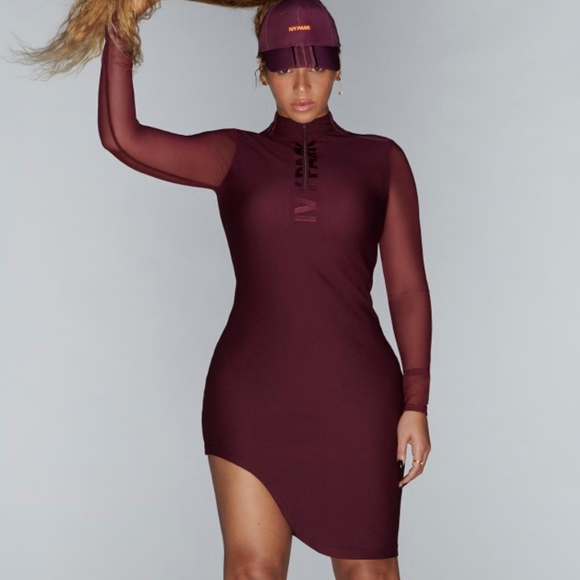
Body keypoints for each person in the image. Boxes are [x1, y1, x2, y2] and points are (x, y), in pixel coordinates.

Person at [20, 1, 432, 578]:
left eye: (316, 65)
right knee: (251, 570)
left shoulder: (381, 159)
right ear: (263, 71)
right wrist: (120, 21)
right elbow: (122, 138)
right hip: (251, 395)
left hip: (358, 399)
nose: (302, 84)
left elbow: (407, 289)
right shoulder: (235, 156)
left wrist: (416, 402)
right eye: (284, 67)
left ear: (339, 68)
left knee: (372, 574)